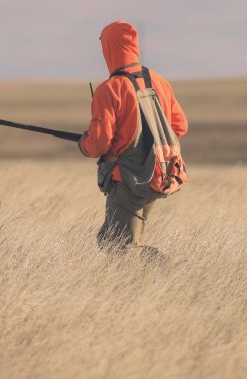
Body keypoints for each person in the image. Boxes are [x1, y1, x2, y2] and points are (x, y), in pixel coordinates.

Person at [78, 21, 188, 257]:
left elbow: (99, 142)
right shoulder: (159, 81)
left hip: (128, 179)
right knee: (109, 238)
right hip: (159, 174)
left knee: (120, 247)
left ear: (109, 47)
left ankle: (172, 275)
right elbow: (180, 125)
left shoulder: (110, 89)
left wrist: (84, 145)